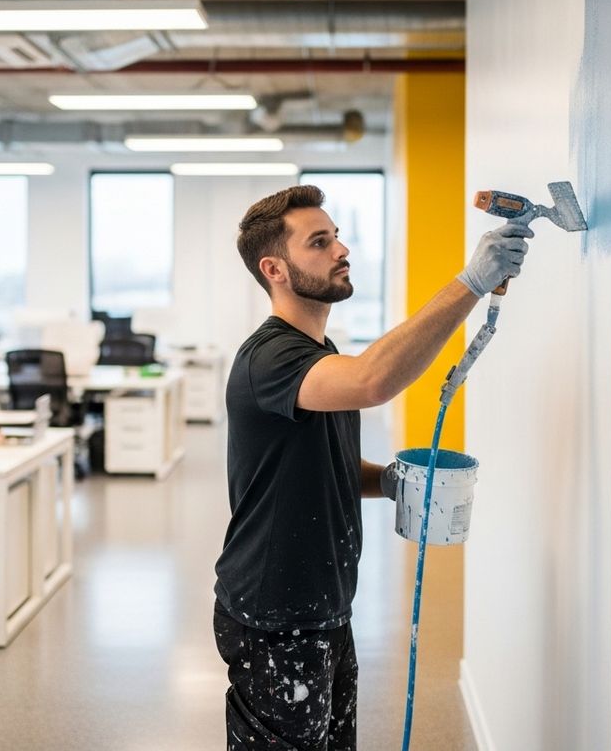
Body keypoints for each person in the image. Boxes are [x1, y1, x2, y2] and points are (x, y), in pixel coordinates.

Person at [213, 184, 532, 750]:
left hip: (324, 602)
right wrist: (470, 284)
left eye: (336, 236)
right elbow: (372, 381)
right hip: (274, 613)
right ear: (275, 269)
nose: (342, 250)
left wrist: (386, 480)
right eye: (320, 242)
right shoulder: (271, 357)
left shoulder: (319, 353)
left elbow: (322, 463)